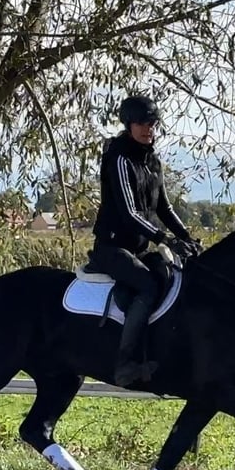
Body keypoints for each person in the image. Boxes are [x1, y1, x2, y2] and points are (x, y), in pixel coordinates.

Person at [89, 95, 201, 387]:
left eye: (152, 123)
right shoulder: (120, 157)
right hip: (112, 247)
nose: (148, 129)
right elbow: (129, 212)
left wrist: (187, 237)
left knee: (168, 276)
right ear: (128, 125)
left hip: (138, 248)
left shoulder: (153, 162)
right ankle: (125, 363)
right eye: (141, 123)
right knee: (147, 285)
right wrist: (163, 238)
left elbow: (164, 208)